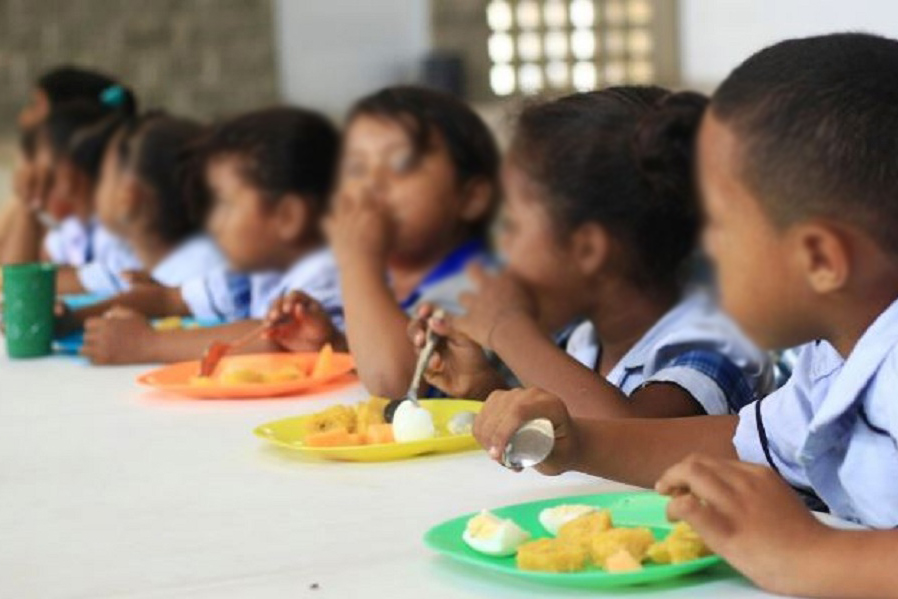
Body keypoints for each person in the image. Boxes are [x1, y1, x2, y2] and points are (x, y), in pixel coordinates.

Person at [472, 33, 898, 597]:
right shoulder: (833, 361)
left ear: (820, 258)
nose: (705, 250)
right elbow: (740, 442)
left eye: (720, 226)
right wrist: (578, 444)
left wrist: (811, 554)